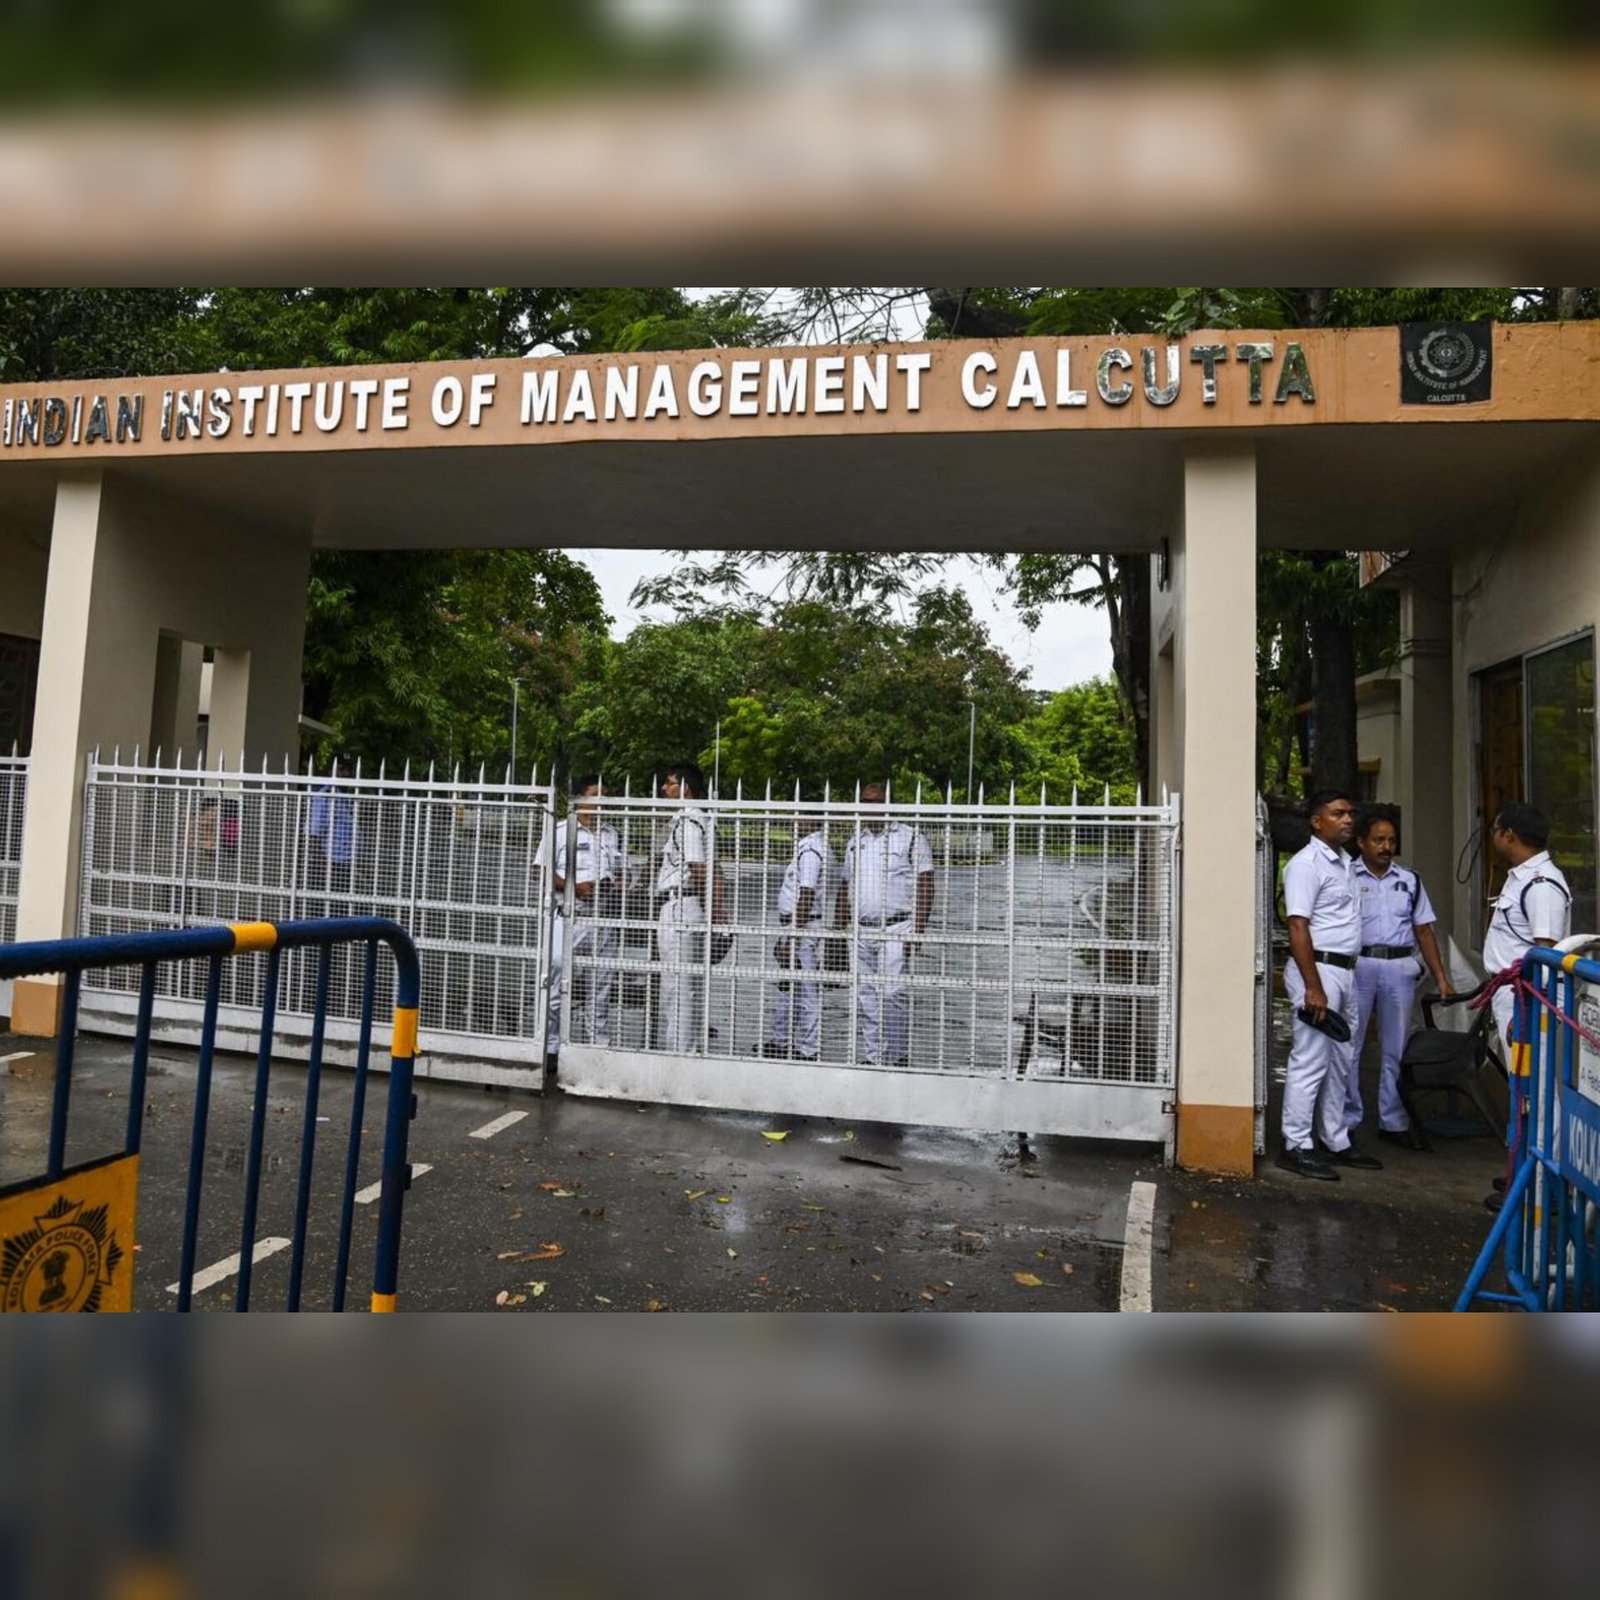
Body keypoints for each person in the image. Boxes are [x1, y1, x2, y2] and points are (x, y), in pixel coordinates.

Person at [1279, 788, 1382, 1180]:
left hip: (1345, 972)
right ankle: (1296, 1144)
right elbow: (1297, 925)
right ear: (1316, 821)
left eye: (1350, 812)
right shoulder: (1306, 865)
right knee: (1310, 1060)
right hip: (1318, 971)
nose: (1348, 819)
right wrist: (1313, 986)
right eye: (1338, 813)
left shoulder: (1346, 864)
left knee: (1341, 1060)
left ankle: (1334, 1138)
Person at [1347, 806, 1453, 1152]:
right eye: (1378, 840)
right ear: (1362, 843)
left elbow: (1424, 931)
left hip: (1398, 967)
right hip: (1360, 966)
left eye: (1391, 841)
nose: (1386, 847)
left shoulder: (1409, 880)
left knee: (1396, 1047)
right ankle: (1346, 1121)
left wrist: (1441, 978)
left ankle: (1392, 1121)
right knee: (1351, 1045)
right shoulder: (1347, 877)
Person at [834, 782, 934, 1069]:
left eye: (875, 802)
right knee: (866, 995)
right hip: (860, 929)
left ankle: (897, 1057)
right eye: (865, 802)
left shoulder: (911, 838)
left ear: (889, 804)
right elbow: (845, 884)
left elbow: (926, 883)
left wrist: (918, 930)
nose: (869, 808)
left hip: (896, 928)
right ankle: (873, 1056)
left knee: (892, 994)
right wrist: (837, 929)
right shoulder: (856, 840)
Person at [1482, 800, 1571, 1069]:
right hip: (1514, 996)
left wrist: (1525, 1015)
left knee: (1532, 1081)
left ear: (1508, 835)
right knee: (1520, 1080)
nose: (1493, 837)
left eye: (1495, 830)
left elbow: (1546, 957)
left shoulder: (1541, 885)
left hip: (1527, 1001)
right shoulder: (1522, 876)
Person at [544, 777, 623, 1064]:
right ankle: (550, 1048)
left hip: (602, 920)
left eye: (605, 796)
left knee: (600, 988)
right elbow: (540, 871)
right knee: (555, 981)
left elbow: (620, 870)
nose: (601, 801)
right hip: (569, 917)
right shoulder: (560, 831)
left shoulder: (612, 834)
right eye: (594, 795)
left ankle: (596, 1050)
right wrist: (573, 886)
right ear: (578, 799)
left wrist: (617, 884)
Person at [654, 762, 725, 1053]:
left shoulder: (689, 822)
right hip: (688, 904)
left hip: (680, 906)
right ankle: (688, 1050)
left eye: (669, 783)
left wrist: (712, 913)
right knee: (687, 985)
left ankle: (679, 1054)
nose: (664, 788)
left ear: (685, 788)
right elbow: (715, 871)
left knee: (678, 988)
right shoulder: (702, 820)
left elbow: (700, 869)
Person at [765, 812, 835, 1063]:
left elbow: (806, 894)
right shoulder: (812, 847)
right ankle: (780, 1041)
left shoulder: (811, 850)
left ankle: (808, 1049)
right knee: (789, 987)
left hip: (802, 928)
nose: (793, 821)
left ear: (813, 820)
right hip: (797, 925)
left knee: (806, 990)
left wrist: (793, 937)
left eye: (799, 816)